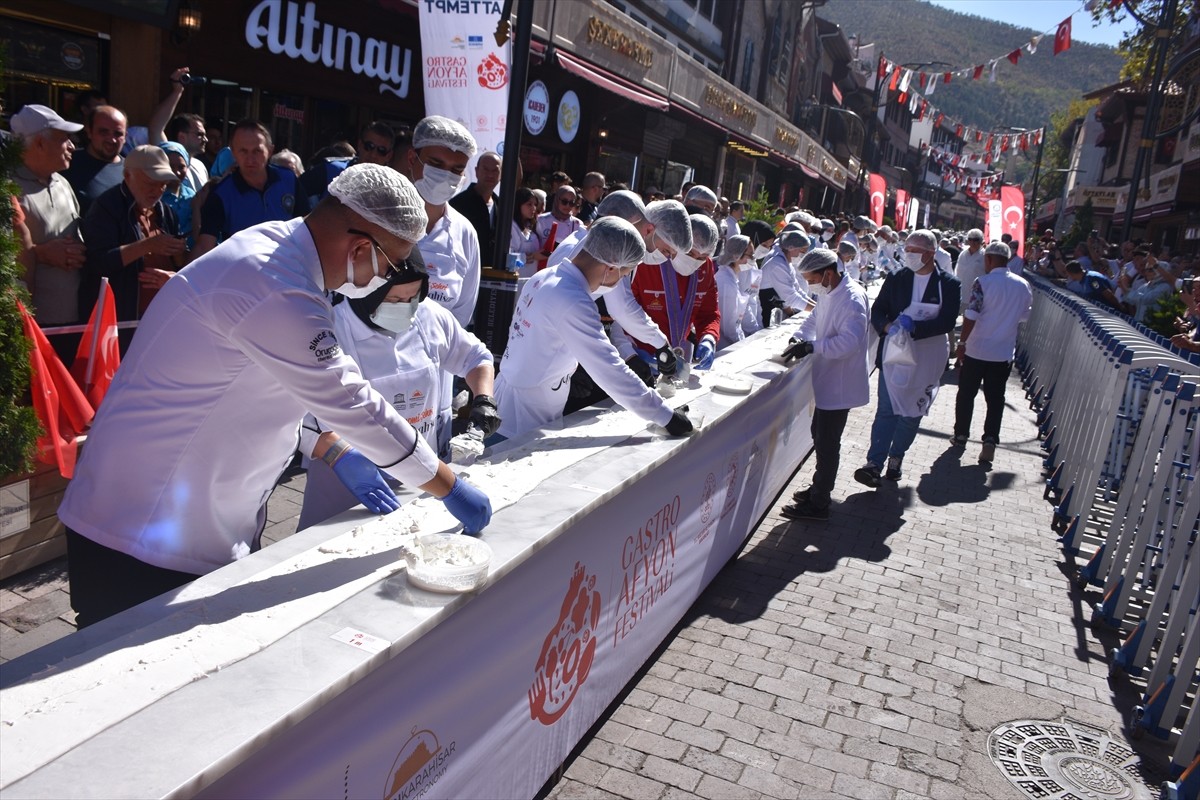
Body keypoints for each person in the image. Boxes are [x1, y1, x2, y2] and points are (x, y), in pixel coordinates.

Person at [57, 164, 493, 628]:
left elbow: (282, 387)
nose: (382, 280)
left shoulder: (283, 253)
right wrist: (448, 485)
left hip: (190, 519)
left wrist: (332, 449)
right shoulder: (273, 282)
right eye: (388, 267)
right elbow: (350, 402)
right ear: (361, 247)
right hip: (142, 536)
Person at [298, 248, 496, 529]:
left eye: (412, 298)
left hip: (422, 481)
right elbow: (296, 419)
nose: (405, 307)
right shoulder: (329, 330)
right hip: (348, 489)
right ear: (369, 292)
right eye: (394, 299)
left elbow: (476, 357)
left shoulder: (430, 318)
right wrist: (337, 454)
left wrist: (484, 398)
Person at [492, 217, 693, 440]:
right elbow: (609, 369)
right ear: (610, 267)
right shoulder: (573, 299)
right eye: (624, 274)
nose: (620, 282)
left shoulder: (547, 276)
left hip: (513, 397)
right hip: (525, 417)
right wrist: (665, 415)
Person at [855, 229, 961, 487]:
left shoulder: (948, 284)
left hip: (928, 355)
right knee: (887, 409)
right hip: (895, 354)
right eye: (908, 249)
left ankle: (896, 456)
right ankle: (874, 464)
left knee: (913, 412)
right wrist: (888, 327)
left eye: (915, 251)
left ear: (931, 254)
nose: (909, 255)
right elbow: (878, 310)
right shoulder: (897, 278)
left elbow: (947, 320)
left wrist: (917, 328)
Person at [779, 248, 870, 520]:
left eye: (811, 279)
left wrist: (812, 346)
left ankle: (820, 503)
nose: (810, 285)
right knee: (819, 435)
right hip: (828, 378)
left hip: (839, 382)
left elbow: (849, 343)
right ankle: (819, 487)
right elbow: (815, 317)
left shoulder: (851, 299)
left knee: (828, 442)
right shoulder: (830, 292)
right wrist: (799, 337)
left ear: (828, 273)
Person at [79, 145, 188, 353]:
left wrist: (178, 255)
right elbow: (98, 263)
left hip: (160, 317)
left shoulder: (166, 212)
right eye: (150, 183)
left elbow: (180, 263)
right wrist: (147, 246)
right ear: (128, 175)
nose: (157, 191)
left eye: (163, 185)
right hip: (121, 321)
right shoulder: (105, 208)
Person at [11, 104, 87, 364]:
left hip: (73, 320)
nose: (72, 146)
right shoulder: (7, 187)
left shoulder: (63, 182)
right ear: (40, 143)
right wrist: (40, 253)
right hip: (32, 325)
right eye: (63, 138)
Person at [395, 116, 481, 330]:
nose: (445, 176)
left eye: (456, 169)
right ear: (412, 158)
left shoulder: (465, 233)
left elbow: (462, 312)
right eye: (436, 164)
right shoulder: (382, 218)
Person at [952, 241, 1032, 464]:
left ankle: (960, 435)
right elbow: (1024, 317)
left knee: (966, 393)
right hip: (1003, 352)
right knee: (995, 398)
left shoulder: (982, 283)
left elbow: (972, 314)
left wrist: (962, 343)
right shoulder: (1023, 285)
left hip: (977, 349)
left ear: (988, 259)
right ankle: (989, 439)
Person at [613, 213, 721, 372]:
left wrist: (708, 338)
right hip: (640, 354)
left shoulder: (706, 268)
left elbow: (709, 313)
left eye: (703, 257)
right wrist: (630, 353)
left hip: (679, 355)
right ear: (678, 243)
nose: (695, 261)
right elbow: (622, 312)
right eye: (690, 253)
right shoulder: (648, 261)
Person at [192, 120, 309, 258]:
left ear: (270, 150)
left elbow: (308, 226)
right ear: (233, 152)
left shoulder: (288, 180)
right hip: (244, 270)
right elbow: (204, 246)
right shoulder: (221, 194)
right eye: (243, 151)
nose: (250, 158)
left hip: (287, 265)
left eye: (257, 151)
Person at [302, 121, 396, 205]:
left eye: (381, 150)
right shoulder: (332, 170)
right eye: (369, 146)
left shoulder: (391, 189)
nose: (373, 154)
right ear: (359, 145)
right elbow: (295, 194)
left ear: (389, 156)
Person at [148, 68, 211, 194]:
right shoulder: (165, 155)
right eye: (199, 134)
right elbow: (156, 127)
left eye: (205, 135)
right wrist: (178, 91)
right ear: (182, 136)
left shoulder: (200, 166)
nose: (206, 139)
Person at [63, 105, 127, 215]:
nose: (111, 139)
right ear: (89, 132)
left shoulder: (133, 169)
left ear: (125, 136)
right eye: (103, 132)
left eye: (118, 133)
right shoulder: (67, 164)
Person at [449, 151, 502, 265]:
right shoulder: (458, 203)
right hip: (462, 268)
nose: (490, 174)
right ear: (477, 171)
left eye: (495, 170)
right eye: (486, 169)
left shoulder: (501, 206)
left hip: (492, 274)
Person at [759, 227, 814, 328]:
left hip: (776, 312)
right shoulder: (777, 264)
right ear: (791, 248)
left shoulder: (786, 263)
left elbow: (798, 290)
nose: (803, 255)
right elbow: (791, 298)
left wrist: (817, 307)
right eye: (802, 251)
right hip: (767, 314)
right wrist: (817, 311)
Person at [714, 234, 762, 348]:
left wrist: (756, 332)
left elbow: (743, 311)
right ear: (736, 255)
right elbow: (729, 327)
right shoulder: (726, 282)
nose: (753, 259)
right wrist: (743, 344)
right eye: (750, 255)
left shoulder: (733, 278)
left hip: (732, 343)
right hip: (725, 347)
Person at [158, 141, 196, 246]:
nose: (176, 172)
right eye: (171, 166)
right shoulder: (154, 196)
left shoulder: (192, 195)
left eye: (181, 167)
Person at [536, 185, 584, 252]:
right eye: (564, 201)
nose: (567, 206)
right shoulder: (541, 220)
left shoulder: (578, 224)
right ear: (557, 200)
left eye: (571, 203)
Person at [509, 186, 542, 275]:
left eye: (535, 204)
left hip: (531, 279)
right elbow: (509, 260)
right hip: (517, 279)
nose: (533, 208)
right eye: (529, 204)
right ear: (518, 204)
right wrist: (532, 256)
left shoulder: (531, 226)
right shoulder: (512, 226)